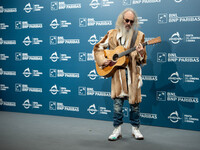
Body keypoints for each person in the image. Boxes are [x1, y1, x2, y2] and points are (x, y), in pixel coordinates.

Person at [93, 8, 147, 141]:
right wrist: (103, 61)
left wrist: (141, 53)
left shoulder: (139, 36)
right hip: (118, 76)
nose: (128, 23)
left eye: (131, 21)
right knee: (117, 105)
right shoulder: (111, 34)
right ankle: (117, 130)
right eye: (126, 20)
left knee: (134, 105)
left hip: (133, 74)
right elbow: (98, 47)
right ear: (121, 19)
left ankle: (136, 129)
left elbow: (142, 60)